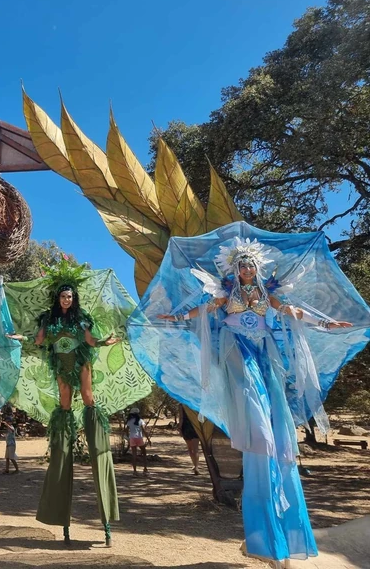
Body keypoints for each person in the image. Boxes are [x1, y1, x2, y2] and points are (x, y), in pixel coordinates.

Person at [127, 226, 367, 566]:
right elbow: (205, 310)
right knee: (255, 411)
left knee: (274, 419)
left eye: (250, 265)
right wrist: (178, 316)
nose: (246, 270)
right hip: (238, 353)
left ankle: (276, 498)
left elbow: (292, 313)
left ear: (257, 267)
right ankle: (262, 444)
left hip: (264, 355)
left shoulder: (269, 295)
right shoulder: (226, 293)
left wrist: (326, 324)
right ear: (235, 269)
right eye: (241, 266)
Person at [7, 261, 121, 547]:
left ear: (74, 298)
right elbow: (38, 340)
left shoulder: (81, 319)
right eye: (63, 296)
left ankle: (94, 431)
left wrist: (105, 341)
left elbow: (91, 342)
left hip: (81, 362)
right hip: (61, 366)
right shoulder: (49, 320)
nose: (66, 299)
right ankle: (64, 438)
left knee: (88, 397)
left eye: (70, 296)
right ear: (57, 299)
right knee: (65, 404)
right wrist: (18, 337)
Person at [125, 407, 149, 475]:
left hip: (132, 438)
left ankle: (135, 471)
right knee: (144, 453)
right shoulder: (141, 421)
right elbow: (144, 430)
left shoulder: (129, 421)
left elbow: (126, 429)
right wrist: (148, 439)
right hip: (139, 437)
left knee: (134, 455)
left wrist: (127, 437)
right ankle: (145, 469)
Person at [178, 405, 200, 475]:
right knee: (196, 449)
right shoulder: (194, 403)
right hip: (195, 427)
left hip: (186, 427)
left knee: (190, 448)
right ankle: (196, 467)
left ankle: (194, 465)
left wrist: (180, 428)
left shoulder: (181, 405)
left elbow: (181, 418)